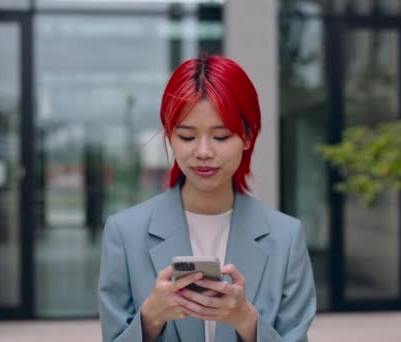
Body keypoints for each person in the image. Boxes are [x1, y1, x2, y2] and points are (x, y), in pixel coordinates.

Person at [98, 55, 316, 342]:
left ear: (248, 136)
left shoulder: (286, 238)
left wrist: (246, 321)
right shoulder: (124, 234)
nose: (203, 151)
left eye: (222, 136)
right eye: (187, 137)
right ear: (169, 136)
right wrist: (151, 316)